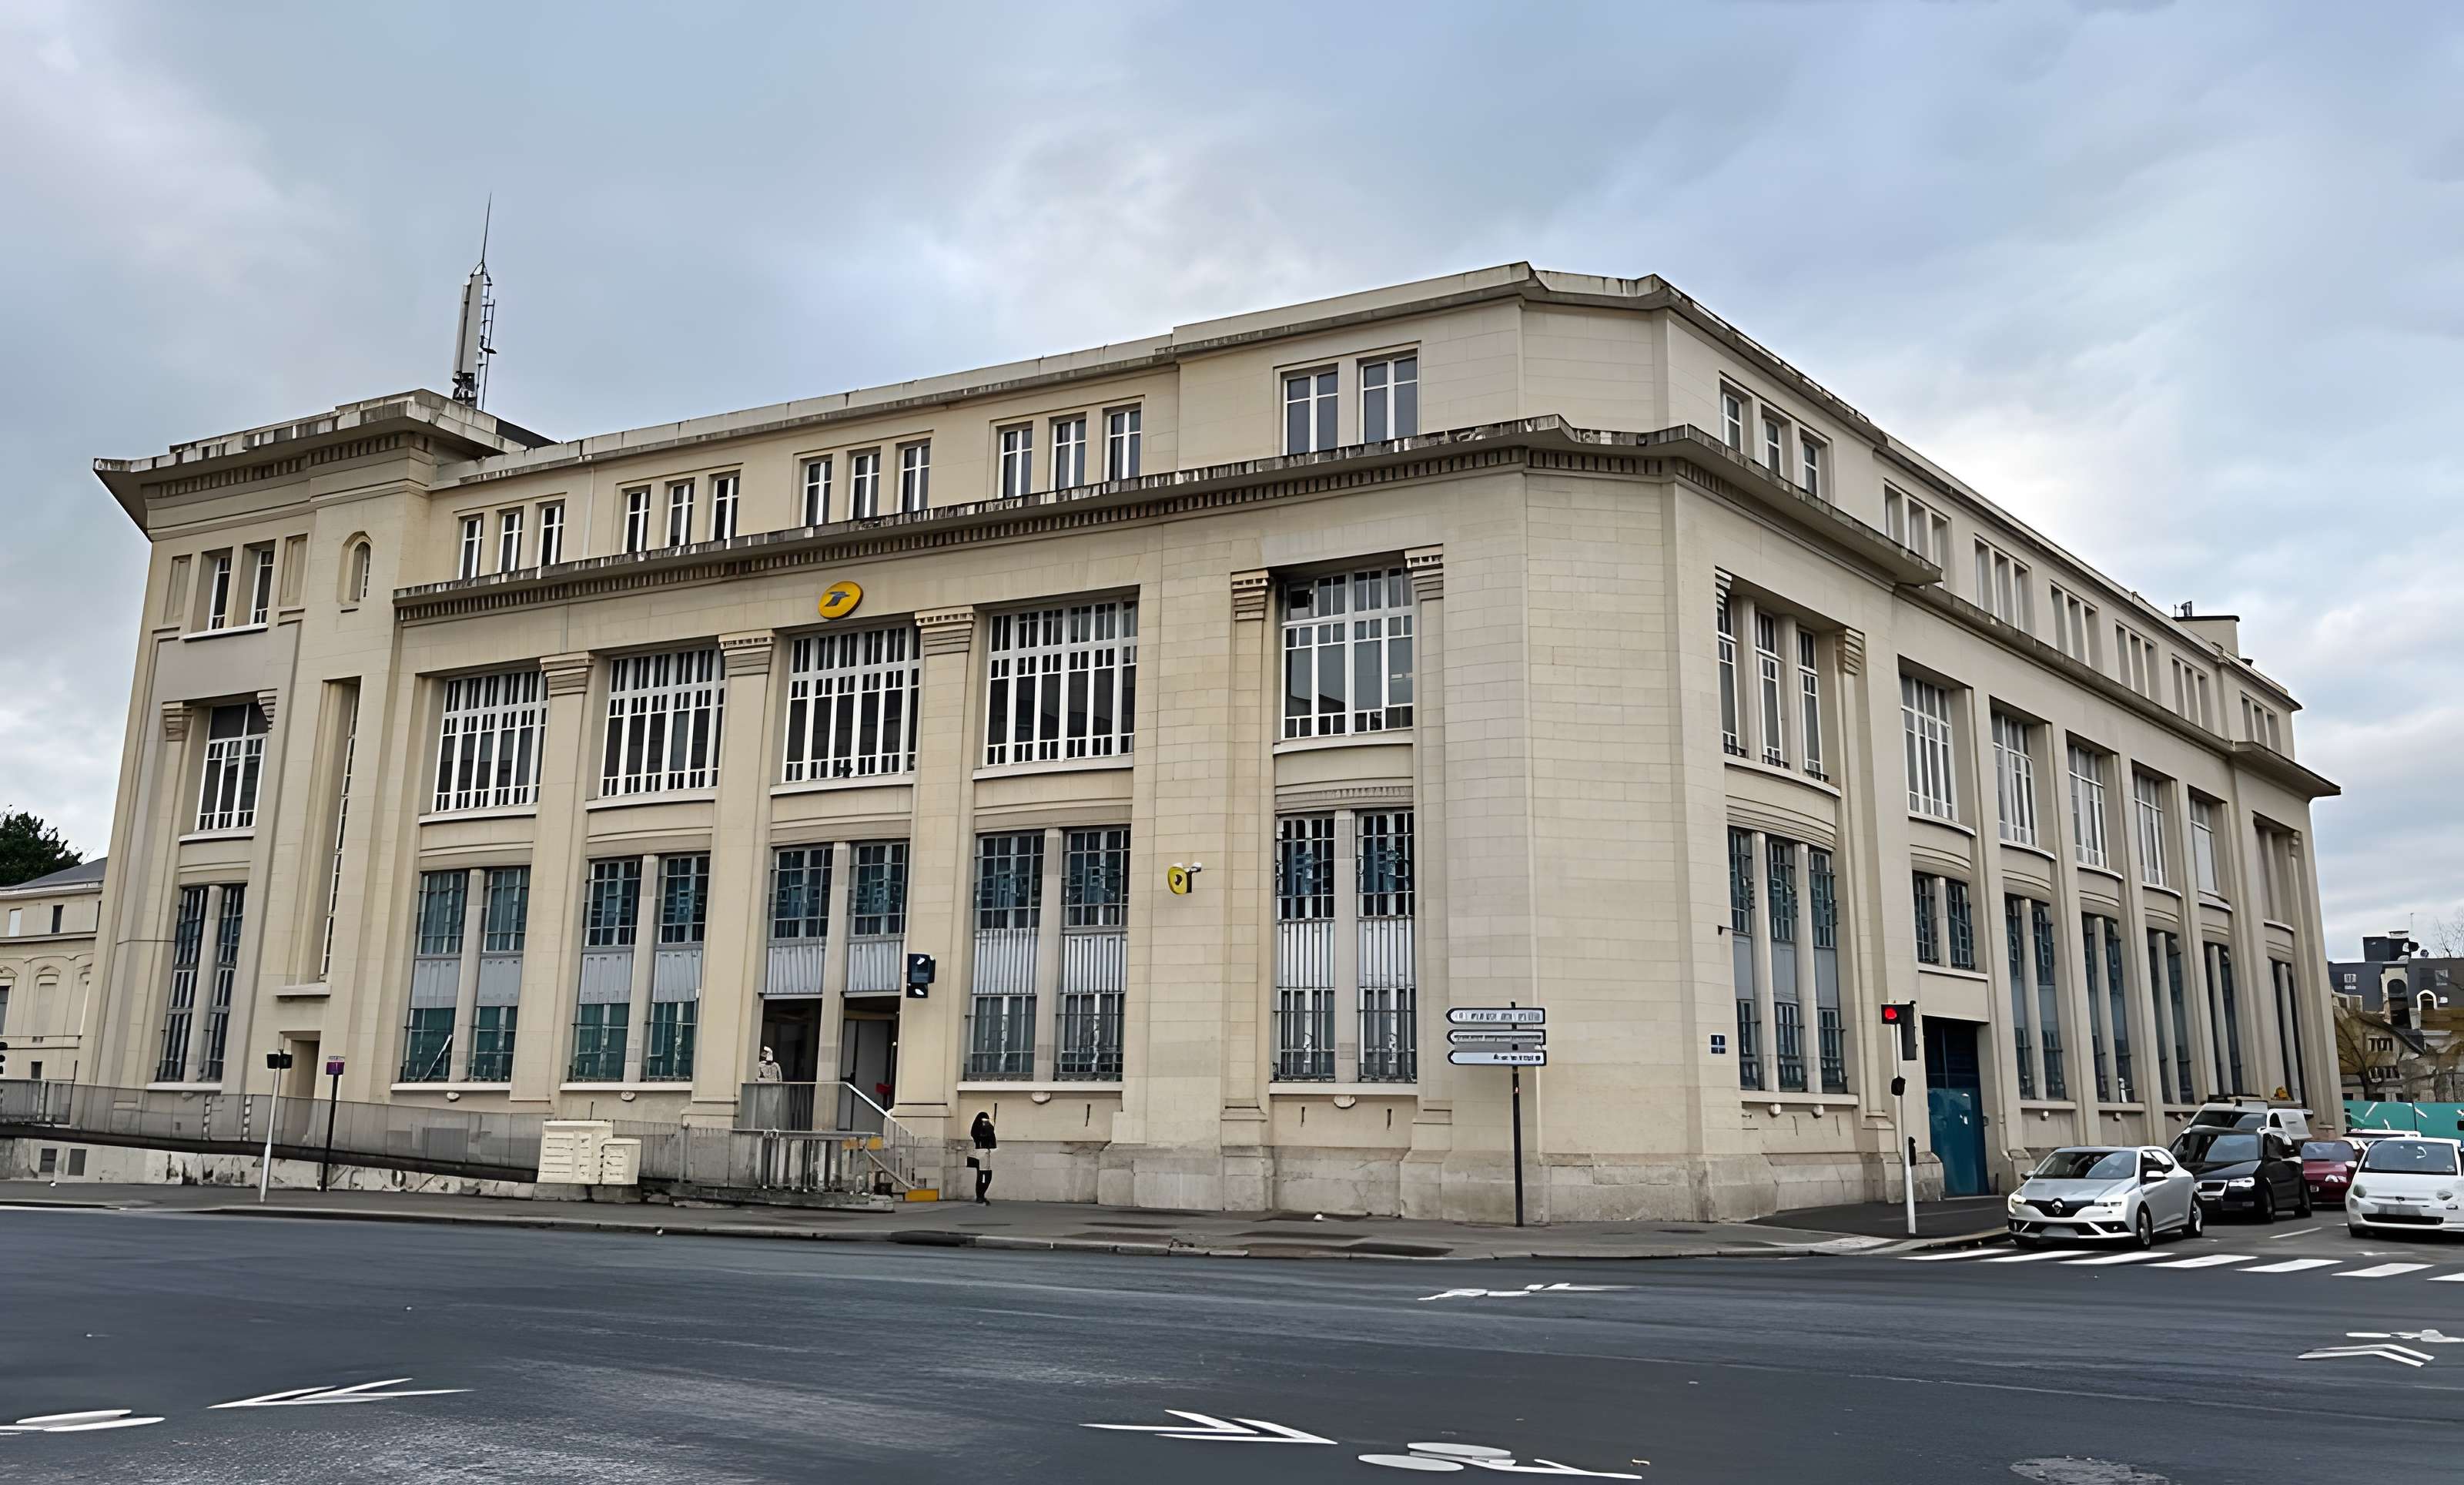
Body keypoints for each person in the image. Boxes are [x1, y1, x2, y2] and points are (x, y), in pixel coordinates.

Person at [969, 1111, 998, 1205]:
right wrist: (989, 1126)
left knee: (983, 1175)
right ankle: (980, 1195)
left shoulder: (979, 1128)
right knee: (984, 1175)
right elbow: (985, 1134)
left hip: (983, 1152)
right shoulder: (979, 1129)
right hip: (982, 1152)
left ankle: (980, 1195)